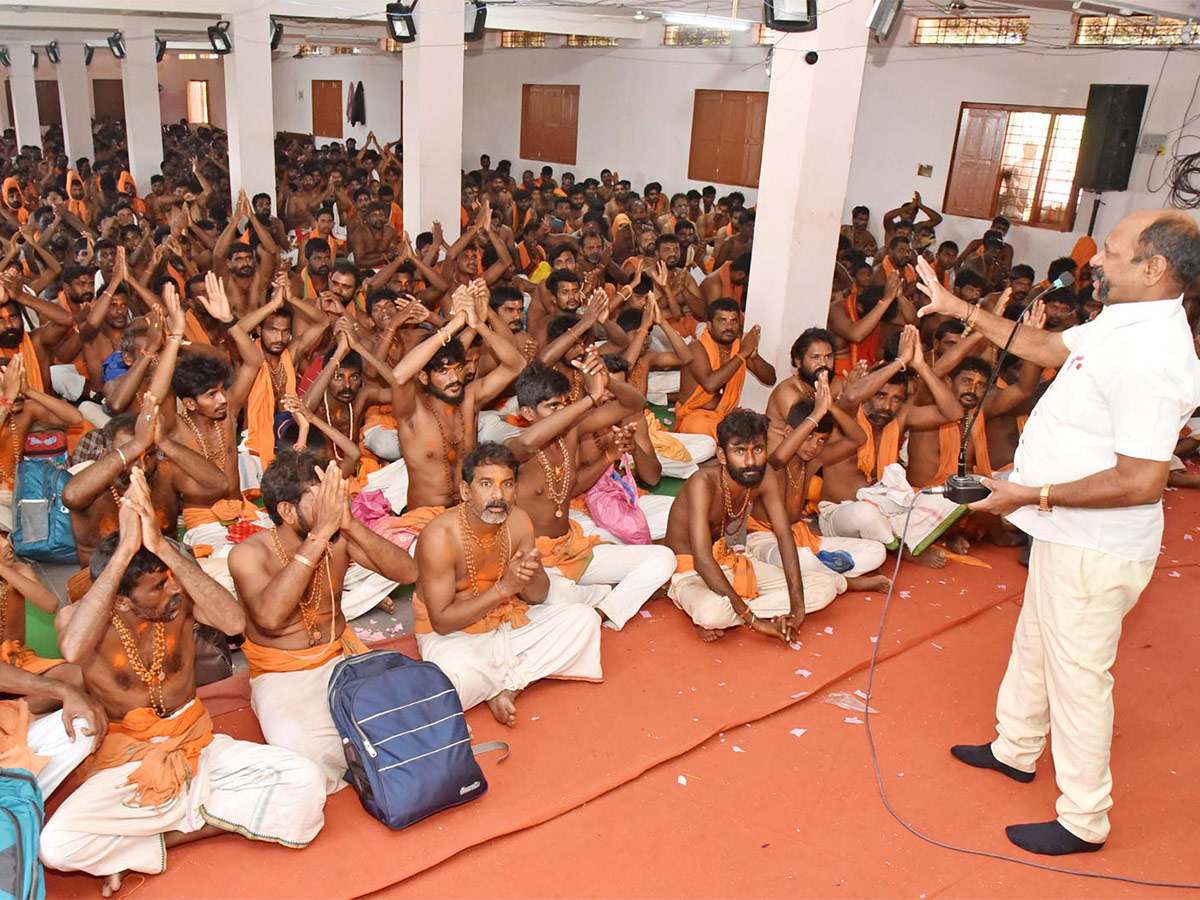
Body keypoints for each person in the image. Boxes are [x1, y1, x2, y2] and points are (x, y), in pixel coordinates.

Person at [915, 211, 1200, 856]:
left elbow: (1141, 480)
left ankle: (1083, 818)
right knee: (1037, 639)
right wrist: (959, 307)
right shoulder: (1123, 323)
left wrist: (1028, 492)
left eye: (1113, 251)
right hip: (1063, 528)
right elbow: (1049, 349)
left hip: (1094, 547)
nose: (1096, 260)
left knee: (1079, 677)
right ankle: (1014, 748)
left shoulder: (1153, 356)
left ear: (1153, 268)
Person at [41, 469, 327, 893]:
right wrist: (121, 556)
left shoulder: (180, 604)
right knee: (57, 848)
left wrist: (161, 547)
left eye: (171, 579)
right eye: (157, 587)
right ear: (120, 599)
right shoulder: (82, 618)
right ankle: (211, 814)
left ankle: (165, 837)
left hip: (199, 746)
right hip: (129, 763)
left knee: (307, 780)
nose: (172, 591)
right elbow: (73, 650)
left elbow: (233, 622)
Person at [227, 451, 418, 793]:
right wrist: (319, 537)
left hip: (341, 658)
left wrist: (348, 523)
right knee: (301, 754)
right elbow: (270, 619)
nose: (332, 506)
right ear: (287, 511)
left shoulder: (340, 538)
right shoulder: (249, 555)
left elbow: (407, 571)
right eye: (322, 500)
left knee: (407, 717)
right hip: (283, 676)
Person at [413, 443, 602, 726]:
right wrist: (504, 588)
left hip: (504, 621)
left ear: (516, 489)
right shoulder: (439, 536)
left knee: (583, 619)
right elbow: (441, 621)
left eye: (507, 484)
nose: (498, 495)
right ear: (466, 491)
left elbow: (537, 596)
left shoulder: (519, 522)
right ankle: (500, 679)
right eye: (486, 484)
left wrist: (531, 571)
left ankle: (507, 687)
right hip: (454, 636)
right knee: (453, 679)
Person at [505, 357, 677, 630]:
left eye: (564, 404)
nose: (563, 413)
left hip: (573, 547)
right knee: (559, 597)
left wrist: (606, 380)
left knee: (663, 558)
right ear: (527, 413)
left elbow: (633, 405)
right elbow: (527, 441)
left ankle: (602, 611)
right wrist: (589, 400)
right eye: (553, 407)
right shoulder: (514, 449)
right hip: (537, 561)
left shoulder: (571, 433)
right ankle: (594, 596)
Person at [664, 409, 808, 642]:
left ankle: (736, 606)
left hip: (725, 562)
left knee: (823, 586)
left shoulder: (764, 475)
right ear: (722, 455)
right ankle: (736, 608)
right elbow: (701, 560)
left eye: (758, 450)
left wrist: (798, 609)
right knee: (714, 612)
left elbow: (784, 536)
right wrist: (755, 622)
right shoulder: (702, 483)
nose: (751, 461)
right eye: (740, 451)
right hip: (690, 571)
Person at [675, 298, 775, 439]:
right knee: (698, 428)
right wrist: (741, 355)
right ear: (709, 325)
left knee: (763, 427)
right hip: (695, 416)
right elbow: (710, 384)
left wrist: (753, 356)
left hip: (725, 416)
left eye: (733, 321)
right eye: (722, 321)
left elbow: (770, 379)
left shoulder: (738, 348)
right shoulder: (696, 349)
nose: (729, 326)